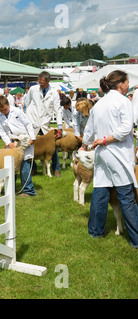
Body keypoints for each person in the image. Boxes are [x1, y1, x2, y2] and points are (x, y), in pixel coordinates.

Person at [81, 70, 138, 248]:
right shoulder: (122, 101)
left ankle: (95, 231)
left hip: (102, 155)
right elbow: (125, 129)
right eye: (127, 82)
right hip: (117, 153)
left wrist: (85, 144)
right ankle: (136, 239)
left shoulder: (98, 104)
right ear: (120, 83)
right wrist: (105, 140)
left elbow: (89, 132)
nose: (128, 86)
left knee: (100, 192)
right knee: (126, 196)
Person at [24, 71, 63, 178]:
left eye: (42, 83)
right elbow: (26, 103)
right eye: (39, 82)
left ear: (48, 81)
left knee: (52, 147)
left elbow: (58, 110)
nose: (40, 84)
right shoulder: (33, 90)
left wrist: (60, 127)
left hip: (45, 124)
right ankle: (33, 168)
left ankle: (56, 169)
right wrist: (27, 116)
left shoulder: (54, 93)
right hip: (33, 122)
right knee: (30, 146)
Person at [0, 95, 36, 197]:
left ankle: (28, 190)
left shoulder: (17, 112)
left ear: (8, 104)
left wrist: (32, 138)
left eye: (5, 109)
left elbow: (28, 124)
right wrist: (8, 143)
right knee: (11, 167)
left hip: (23, 141)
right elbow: (2, 132)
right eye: (1, 110)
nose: (3, 111)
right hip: (12, 144)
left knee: (25, 166)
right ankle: (11, 190)